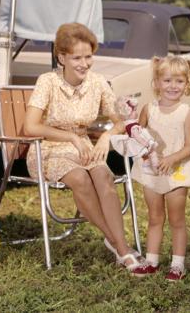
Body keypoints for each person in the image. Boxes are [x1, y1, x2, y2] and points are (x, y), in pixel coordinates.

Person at [24, 23, 143, 272]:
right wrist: (70, 139)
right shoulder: (47, 81)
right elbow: (30, 128)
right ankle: (120, 246)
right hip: (47, 149)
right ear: (62, 57)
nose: (84, 63)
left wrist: (106, 137)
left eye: (88, 56)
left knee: (104, 176)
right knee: (80, 178)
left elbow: (120, 121)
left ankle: (117, 244)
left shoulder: (98, 83)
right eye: (77, 57)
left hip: (86, 147)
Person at [128, 56, 190, 281]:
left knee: (177, 220)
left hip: (176, 173)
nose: (172, 86)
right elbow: (137, 134)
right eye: (167, 80)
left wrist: (173, 158)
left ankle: (177, 265)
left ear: (187, 84)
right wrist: (131, 122)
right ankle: (151, 261)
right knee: (155, 217)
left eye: (179, 81)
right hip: (151, 173)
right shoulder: (149, 109)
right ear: (157, 83)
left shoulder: (186, 112)